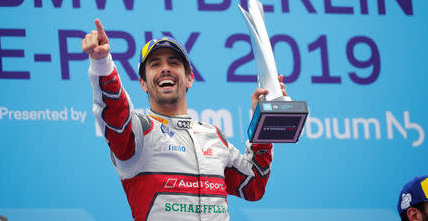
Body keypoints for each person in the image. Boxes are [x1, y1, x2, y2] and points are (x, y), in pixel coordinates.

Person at [82, 19, 288, 220]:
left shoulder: (214, 136)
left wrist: (263, 119)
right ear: (143, 83)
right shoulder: (139, 134)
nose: (165, 68)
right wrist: (102, 63)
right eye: (155, 64)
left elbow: (254, 185)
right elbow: (115, 112)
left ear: (189, 78)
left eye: (174, 63)